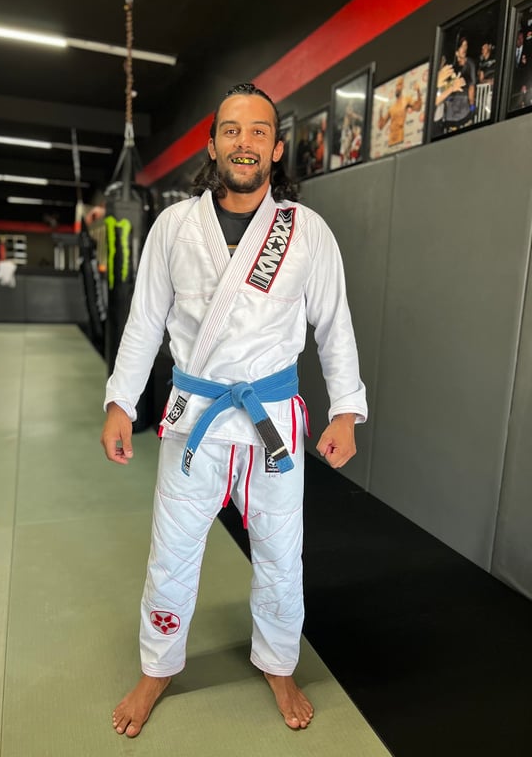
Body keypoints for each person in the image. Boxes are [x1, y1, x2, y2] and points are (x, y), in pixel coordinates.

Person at [101, 82, 367, 738]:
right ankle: (158, 665)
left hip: (271, 420)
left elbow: (335, 324)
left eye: (258, 132)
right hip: (194, 416)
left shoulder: (305, 231)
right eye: (231, 130)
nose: (243, 143)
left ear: (276, 149)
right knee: (171, 551)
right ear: (213, 144)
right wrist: (119, 401)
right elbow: (144, 322)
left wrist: (345, 410)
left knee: (279, 552)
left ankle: (278, 664)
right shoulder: (173, 227)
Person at [377, 75, 423, 147]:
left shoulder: (406, 100)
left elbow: (418, 108)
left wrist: (418, 91)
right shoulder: (392, 107)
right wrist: (380, 112)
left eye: (399, 85)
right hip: (391, 141)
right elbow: (381, 126)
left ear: (402, 87)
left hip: (399, 139)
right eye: (396, 85)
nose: (397, 87)